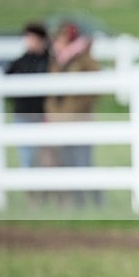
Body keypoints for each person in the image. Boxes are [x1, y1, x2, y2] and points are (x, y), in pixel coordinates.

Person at [44, 22, 101, 206]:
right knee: (66, 162)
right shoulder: (58, 62)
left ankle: (95, 201)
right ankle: (76, 202)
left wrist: (74, 109)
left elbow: (93, 90)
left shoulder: (83, 60)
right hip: (60, 121)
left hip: (79, 119)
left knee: (83, 163)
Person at [4, 22, 50, 169]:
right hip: (23, 115)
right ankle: (31, 190)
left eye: (32, 38)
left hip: (44, 115)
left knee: (46, 157)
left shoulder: (49, 62)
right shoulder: (20, 62)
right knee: (27, 158)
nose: (29, 42)